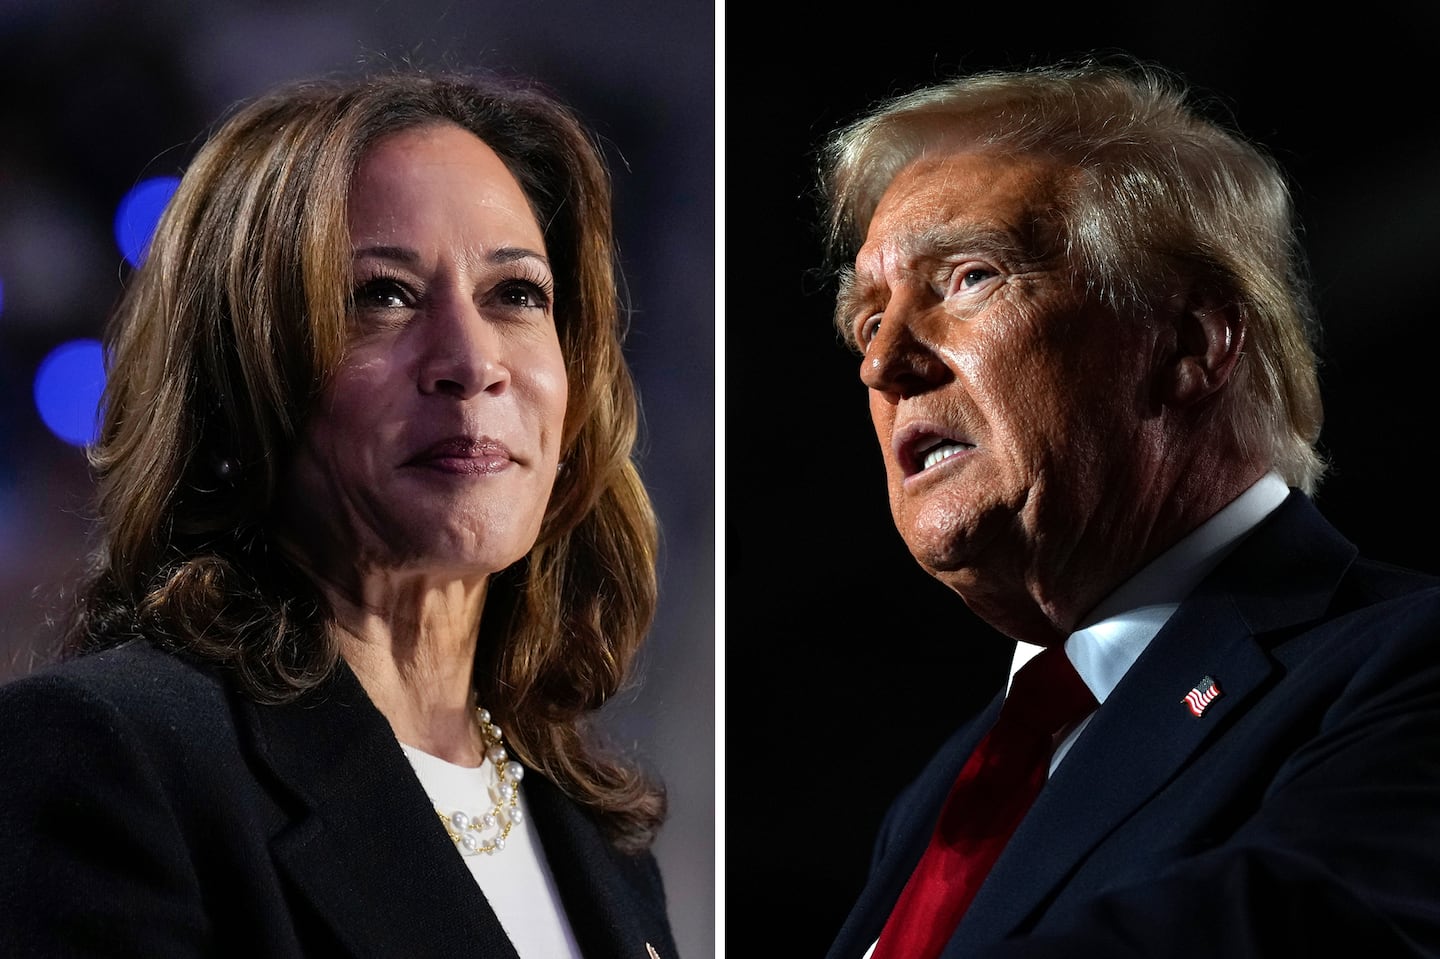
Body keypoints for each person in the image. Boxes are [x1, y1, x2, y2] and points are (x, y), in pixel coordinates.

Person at [0, 66, 680, 959]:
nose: (473, 361)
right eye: (382, 296)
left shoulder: (605, 838)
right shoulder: (110, 759)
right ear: (240, 378)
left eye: (516, 294)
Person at [815, 56, 1440, 958]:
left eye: (969, 278)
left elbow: (1285, 928)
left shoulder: (1405, 660)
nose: (884, 363)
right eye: (870, 321)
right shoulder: (942, 791)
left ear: (1191, 342)